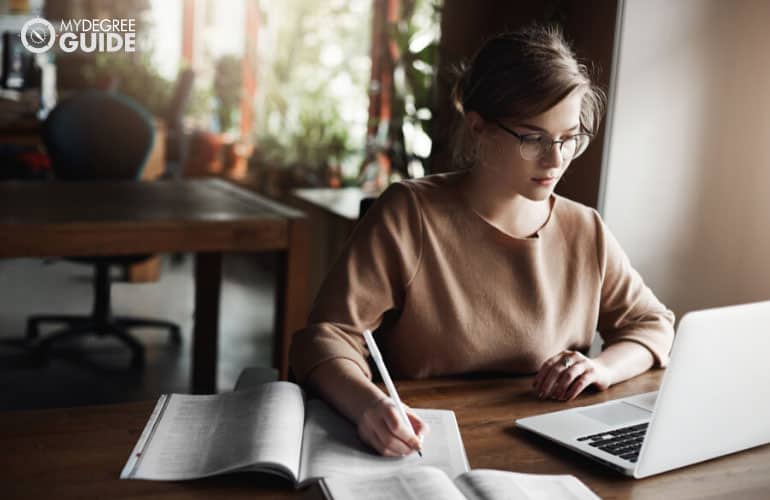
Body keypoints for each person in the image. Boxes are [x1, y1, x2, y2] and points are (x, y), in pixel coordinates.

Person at [289, 25, 675, 458]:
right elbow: (326, 338)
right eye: (534, 139)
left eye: (569, 139)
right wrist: (369, 405)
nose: (555, 160)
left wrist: (602, 367)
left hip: (546, 452)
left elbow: (654, 326)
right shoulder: (409, 215)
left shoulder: (585, 230)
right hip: (422, 447)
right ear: (479, 127)